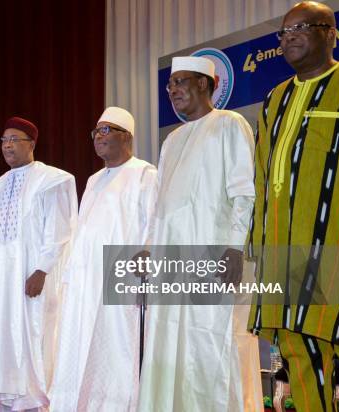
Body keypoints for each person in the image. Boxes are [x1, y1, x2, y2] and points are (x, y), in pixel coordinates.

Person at [247, 2, 339, 410]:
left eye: (300, 27)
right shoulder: (275, 99)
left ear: (330, 32)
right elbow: (261, 177)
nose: (288, 36)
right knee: (299, 355)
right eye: (284, 31)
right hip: (284, 255)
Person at [136, 56, 256, 411]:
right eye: (169, 85)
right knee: (166, 340)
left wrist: (235, 247)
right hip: (170, 260)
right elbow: (159, 205)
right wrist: (147, 248)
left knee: (209, 342)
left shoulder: (230, 124)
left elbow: (243, 191)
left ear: (205, 83)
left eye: (180, 82)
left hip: (213, 256)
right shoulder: (171, 140)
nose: (172, 90)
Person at [0, 117, 78, 411]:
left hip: (32, 278)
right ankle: (4, 399)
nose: (8, 145)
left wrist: (42, 269)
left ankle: (35, 402)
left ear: (32, 144)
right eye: (4, 140)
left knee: (34, 335)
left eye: (15, 139)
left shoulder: (54, 179)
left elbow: (61, 229)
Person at [49, 107, 158, 411]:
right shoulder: (94, 179)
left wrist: (143, 277)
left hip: (122, 278)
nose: (99, 136)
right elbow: (81, 230)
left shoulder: (145, 174)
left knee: (119, 351)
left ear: (127, 137)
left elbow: (153, 227)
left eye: (107, 130)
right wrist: (70, 275)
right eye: (96, 131)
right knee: (81, 346)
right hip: (85, 281)